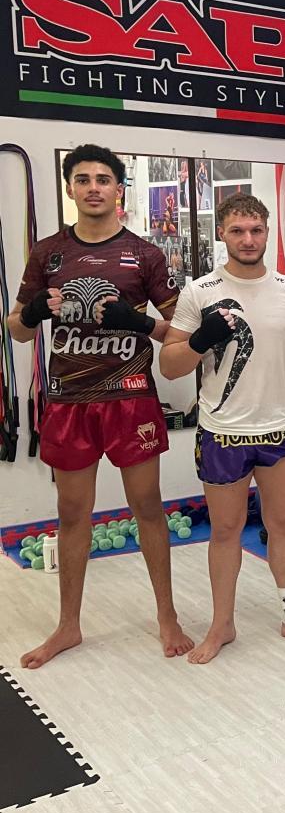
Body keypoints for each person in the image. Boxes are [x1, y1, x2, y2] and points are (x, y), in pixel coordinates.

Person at [8, 143, 193, 668]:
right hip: (69, 401)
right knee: (72, 513)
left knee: (148, 507)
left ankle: (168, 616)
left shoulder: (146, 254)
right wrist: (33, 313)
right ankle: (68, 626)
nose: (94, 188)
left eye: (103, 179)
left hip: (130, 397)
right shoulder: (48, 253)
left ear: (118, 189)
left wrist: (141, 323)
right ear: (70, 188)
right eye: (84, 179)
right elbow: (16, 329)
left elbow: (181, 333)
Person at [159, 193, 285, 663]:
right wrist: (201, 340)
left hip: (282, 427)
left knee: (284, 525)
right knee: (225, 530)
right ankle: (222, 624)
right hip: (223, 431)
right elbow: (171, 365)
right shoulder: (199, 292)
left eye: (256, 230)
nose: (248, 239)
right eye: (238, 231)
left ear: (266, 233)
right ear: (221, 233)